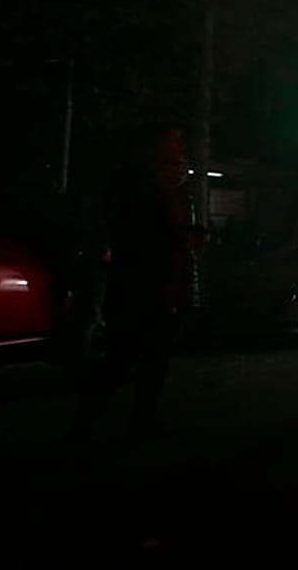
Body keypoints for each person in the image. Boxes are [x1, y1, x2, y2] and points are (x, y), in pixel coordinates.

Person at [68, 127, 205, 442]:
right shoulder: (138, 196)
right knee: (120, 359)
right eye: (171, 160)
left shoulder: (178, 196)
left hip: (167, 289)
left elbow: (179, 245)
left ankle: (140, 421)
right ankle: (85, 425)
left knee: (154, 362)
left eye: (179, 159)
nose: (178, 166)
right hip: (139, 291)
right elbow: (137, 244)